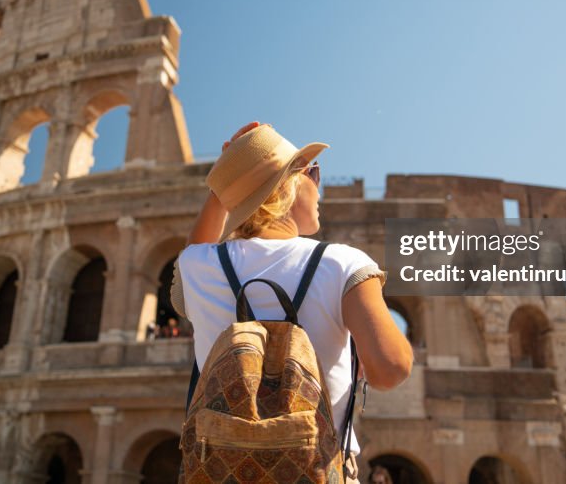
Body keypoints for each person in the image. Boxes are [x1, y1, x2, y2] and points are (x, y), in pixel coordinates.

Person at [172, 122, 414, 483]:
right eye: (312, 172)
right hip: (315, 470)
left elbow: (196, 248)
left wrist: (225, 183)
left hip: (222, 471)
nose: (320, 186)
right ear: (288, 184)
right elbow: (391, 369)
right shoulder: (343, 263)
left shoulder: (196, 267)